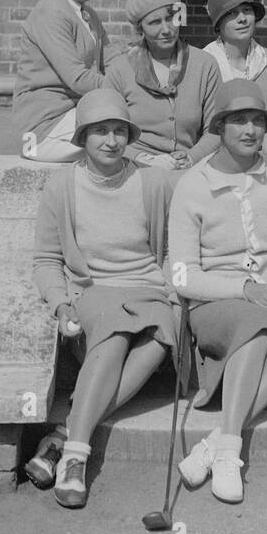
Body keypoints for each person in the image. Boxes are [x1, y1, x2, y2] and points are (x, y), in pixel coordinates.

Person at [27, 89, 178, 508]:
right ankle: (77, 455)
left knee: (160, 336)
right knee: (113, 334)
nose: (110, 141)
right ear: (83, 138)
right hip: (93, 293)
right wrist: (60, 305)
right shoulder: (62, 186)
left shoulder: (154, 180)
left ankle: (63, 436)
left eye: (118, 131)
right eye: (99, 132)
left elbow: (173, 248)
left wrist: (172, 289)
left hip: (148, 292)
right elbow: (45, 259)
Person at [167, 79, 267, 504]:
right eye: (238, 121)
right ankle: (231, 453)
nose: (249, 130)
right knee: (259, 328)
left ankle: (218, 442)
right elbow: (181, 274)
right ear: (220, 128)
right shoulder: (193, 184)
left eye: (257, 121)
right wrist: (247, 289)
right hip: (216, 303)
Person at [13, 0, 122, 163]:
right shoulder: (51, 13)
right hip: (43, 129)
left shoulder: (89, 15)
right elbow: (78, 78)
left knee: (135, 124)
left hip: (76, 115)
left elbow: (113, 61)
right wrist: (130, 89)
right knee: (129, 130)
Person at [105, 0, 220, 173]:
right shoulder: (120, 69)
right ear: (140, 28)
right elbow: (106, 129)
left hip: (190, 170)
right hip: (134, 169)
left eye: (171, 18)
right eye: (155, 22)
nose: (166, 29)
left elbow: (216, 129)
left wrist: (191, 157)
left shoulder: (204, 65)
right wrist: (142, 158)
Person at [202, 0, 267, 110]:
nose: (242, 19)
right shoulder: (204, 64)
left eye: (247, 10)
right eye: (231, 13)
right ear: (218, 22)